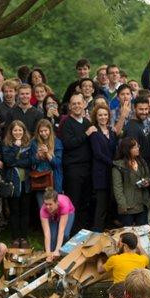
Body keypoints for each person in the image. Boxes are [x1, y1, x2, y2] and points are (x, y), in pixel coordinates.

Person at [59, 93, 94, 232]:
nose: (77, 106)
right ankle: (72, 232)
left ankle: (83, 231)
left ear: (84, 104)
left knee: (86, 201)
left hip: (87, 167)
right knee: (74, 202)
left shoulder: (86, 122)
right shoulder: (66, 123)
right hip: (73, 169)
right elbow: (68, 143)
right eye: (74, 104)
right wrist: (86, 134)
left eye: (79, 103)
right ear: (69, 107)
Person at [1, 120, 34, 249]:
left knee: (25, 211)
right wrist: (15, 147)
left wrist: (17, 162)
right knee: (14, 211)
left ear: (24, 131)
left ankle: (24, 237)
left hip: (26, 182)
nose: (18, 132)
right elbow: (8, 161)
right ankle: (15, 237)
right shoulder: (7, 144)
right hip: (13, 183)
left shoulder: (29, 144)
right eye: (15, 130)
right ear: (11, 131)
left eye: (20, 130)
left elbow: (30, 161)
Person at [111, 137, 150, 226]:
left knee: (143, 233)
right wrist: (123, 205)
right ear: (127, 149)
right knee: (129, 234)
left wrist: (146, 182)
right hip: (128, 206)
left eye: (138, 146)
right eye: (134, 147)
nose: (138, 149)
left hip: (143, 203)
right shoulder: (118, 166)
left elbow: (147, 176)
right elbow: (117, 188)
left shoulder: (141, 161)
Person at [89, 104, 118, 231]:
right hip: (100, 173)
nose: (103, 117)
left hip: (112, 172)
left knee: (109, 204)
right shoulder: (94, 132)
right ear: (96, 116)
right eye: (100, 115)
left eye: (105, 114)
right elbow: (97, 153)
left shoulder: (111, 131)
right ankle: (97, 232)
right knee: (101, 205)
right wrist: (113, 163)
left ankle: (107, 232)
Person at [39, 188, 75, 258]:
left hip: (68, 212)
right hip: (53, 214)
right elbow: (46, 233)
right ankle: (52, 256)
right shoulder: (43, 210)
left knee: (65, 234)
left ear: (56, 202)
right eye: (46, 204)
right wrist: (48, 252)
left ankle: (63, 253)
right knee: (52, 238)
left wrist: (57, 250)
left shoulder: (64, 205)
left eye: (50, 204)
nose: (47, 207)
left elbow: (61, 230)